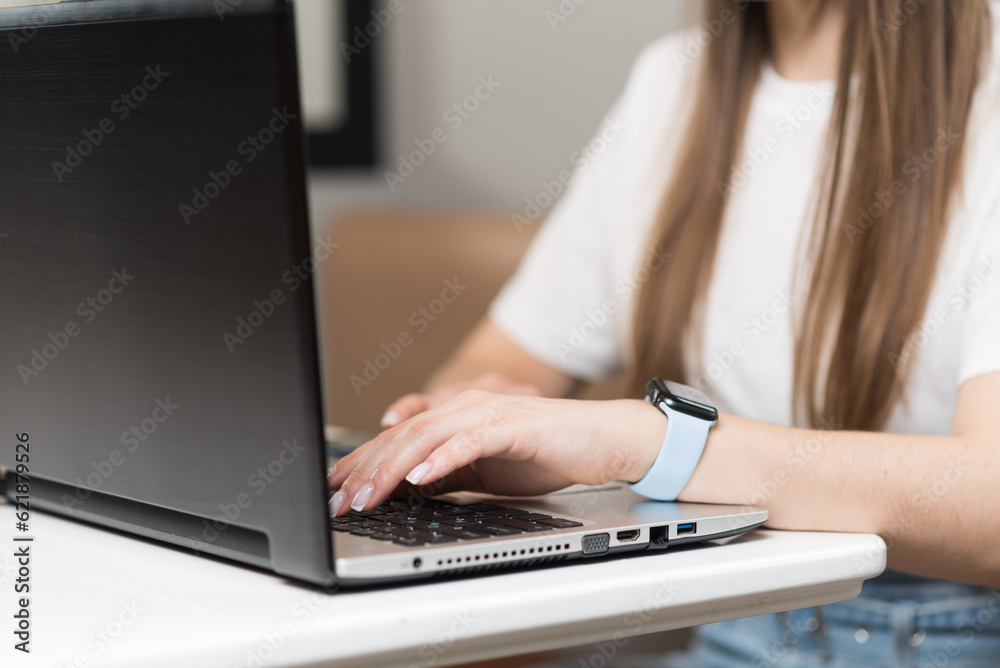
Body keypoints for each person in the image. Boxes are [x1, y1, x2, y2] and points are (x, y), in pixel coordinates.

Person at [331, 0, 1000, 664]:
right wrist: (469, 425)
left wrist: (655, 445)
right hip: (738, 624)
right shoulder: (674, 84)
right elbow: (494, 364)